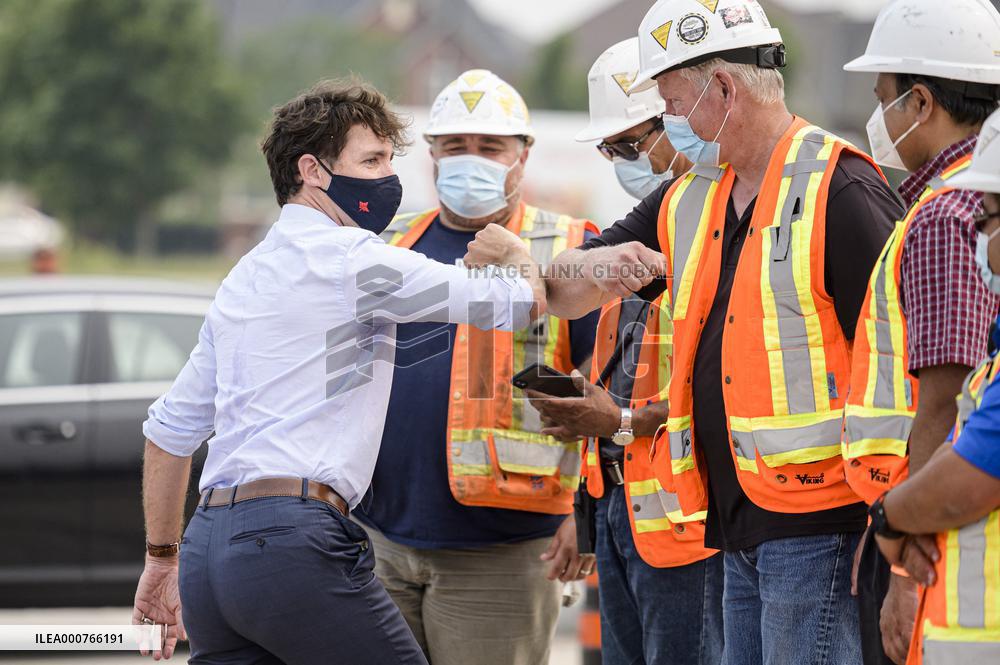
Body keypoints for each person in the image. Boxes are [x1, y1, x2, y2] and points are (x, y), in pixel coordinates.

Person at [131, 79, 549, 665]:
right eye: (372, 160)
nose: (387, 179)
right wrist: (517, 254)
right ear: (313, 170)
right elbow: (518, 301)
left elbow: (169, 432)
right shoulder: (353, 259)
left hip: (207, 551)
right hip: (291, 542)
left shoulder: (245, 278)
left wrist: (161, 558)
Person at [537, 0, 903, 662]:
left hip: (822, 526)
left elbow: (900, 364)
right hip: (736, 522)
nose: (670, 125)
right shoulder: (699, 196)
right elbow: (571, 281)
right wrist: (536, 265)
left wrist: (901, 530)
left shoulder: (838, 188)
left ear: (726, 89)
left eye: (674, 105)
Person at [353, 69, 600, 665]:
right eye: (456, 146)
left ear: (522, 156)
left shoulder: (570, 247)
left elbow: (614, 388)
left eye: (490, 147)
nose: (472, 160)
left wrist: (587, 512)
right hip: (381, 539)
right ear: (432, 155)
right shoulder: (390, 248)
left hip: (506, 551)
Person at [527, 37, 722, 665]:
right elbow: (567, 283)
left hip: (689, 527)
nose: (623, 161)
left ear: (677, 114)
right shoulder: (655, 216)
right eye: (611, 150)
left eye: (631, 144)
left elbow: (733, 384)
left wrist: (623, 422)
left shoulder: (727, 218)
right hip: (623, 510)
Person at [840, 1, 1000, 662]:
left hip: (920, 530)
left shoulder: (944, 215)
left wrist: (904, 573)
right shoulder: (960, 199)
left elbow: (944, 398)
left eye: (885, 100)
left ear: (922, 101)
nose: (880, 119)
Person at [870, 108, 1000, 664]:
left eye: (988, 219)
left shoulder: (938, 220)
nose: (983, 242)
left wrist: (891, 519)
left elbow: (973, 470)